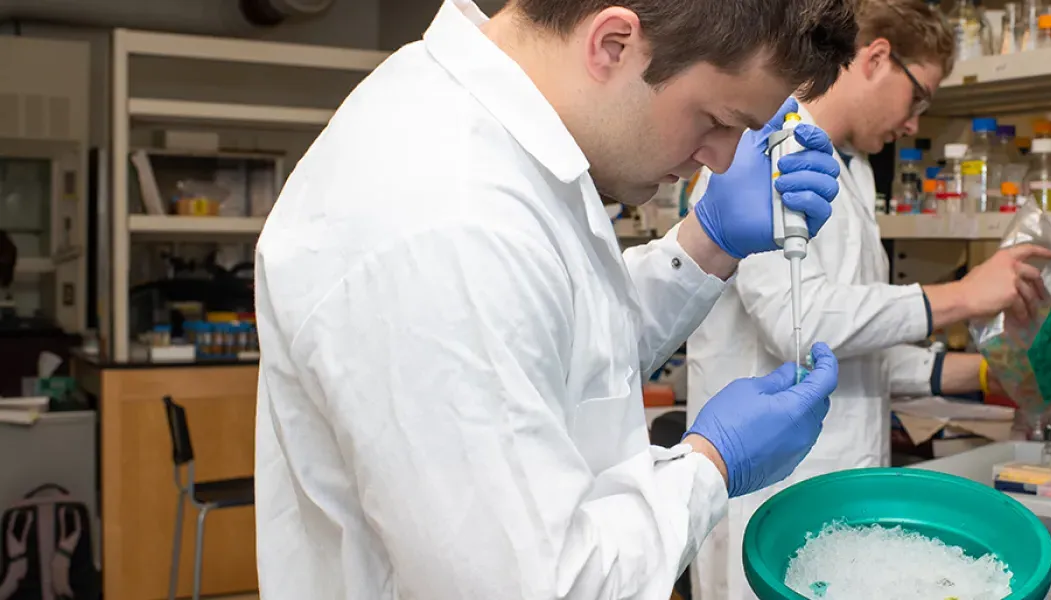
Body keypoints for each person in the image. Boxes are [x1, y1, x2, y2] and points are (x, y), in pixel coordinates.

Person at [252, 0, 863, 597]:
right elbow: (537, 585)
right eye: (718, 120)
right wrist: (711, 465)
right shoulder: (444, 220)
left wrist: (709, 242)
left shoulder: (500, 140)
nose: (725, 158)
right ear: (613, 44)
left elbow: (561, 354)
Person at [685, 1, 1051, 598]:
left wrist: (985, 373)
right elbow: (799, 324)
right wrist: (962, 296)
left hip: (841, 503)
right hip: (765, 499)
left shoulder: (853, 172)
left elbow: (855, 349)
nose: (915, 122)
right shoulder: (757, 155)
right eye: (918, 97)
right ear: (877, 57)